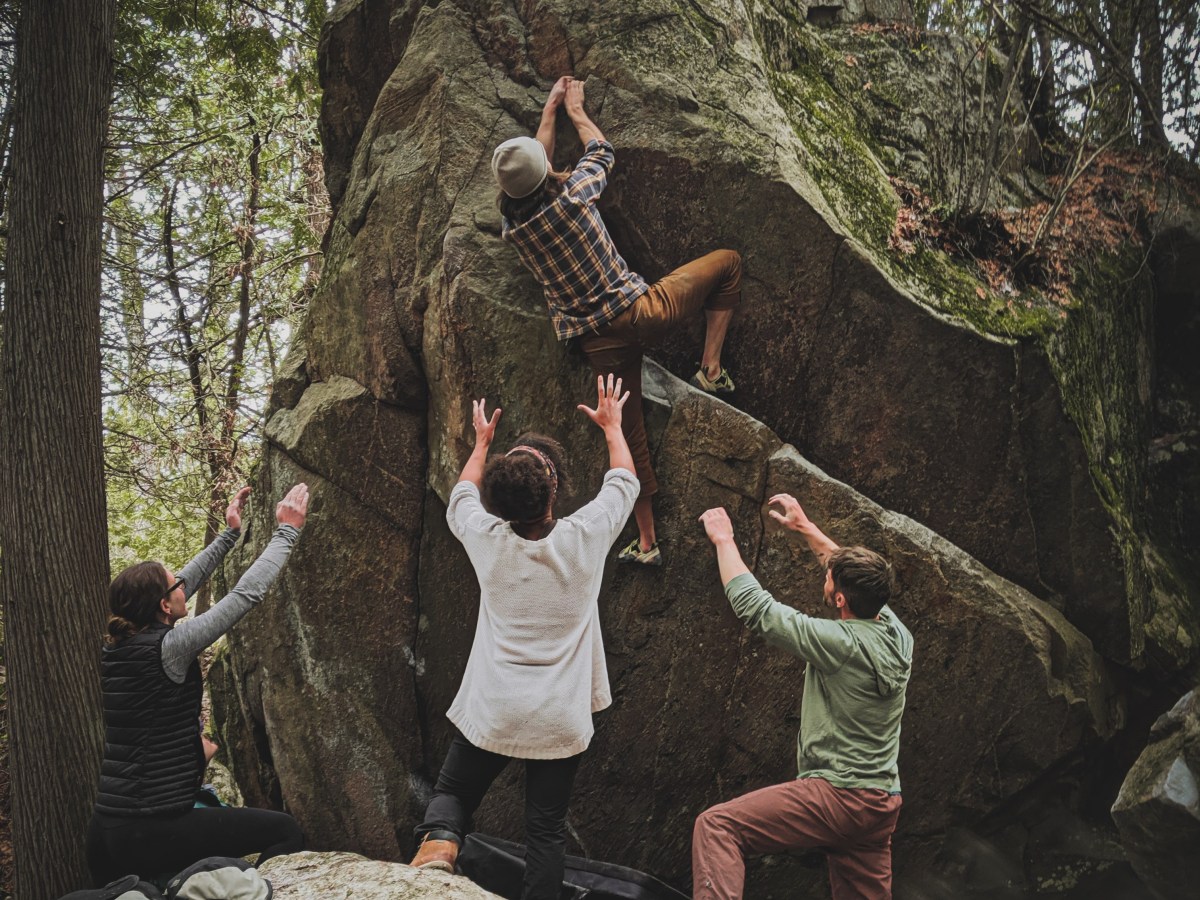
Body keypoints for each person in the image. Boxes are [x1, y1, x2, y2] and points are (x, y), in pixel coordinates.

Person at [492, 74, 742, 567]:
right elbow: (602, 152)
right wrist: (575, 112)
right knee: (729, 263)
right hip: (641, 312)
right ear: (546, 172)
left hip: (596, 342)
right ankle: (710, 370)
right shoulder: (575, 195)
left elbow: (535, 174)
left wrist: (547, 114)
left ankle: (648, 543)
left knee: (628, 437)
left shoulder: (515, 229)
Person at [409, 374, 639, 900]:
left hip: (495, 708)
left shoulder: (487, 540)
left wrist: (482, 443)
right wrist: (612, 426)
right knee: (544, 832)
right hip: (559, 717)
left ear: (500, 505)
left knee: (453, 794)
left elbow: (461, 496)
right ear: (553, 492)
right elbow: (624, 482)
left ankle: (441, 845)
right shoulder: (585, 538)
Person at [86, 483, 310, 884]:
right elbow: (245, 595)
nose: (183, 587)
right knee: (285, 831)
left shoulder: (119, 646)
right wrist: (288, 531)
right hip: (150, 828)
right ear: (161, 605)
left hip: (107, 830)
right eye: (175, 587)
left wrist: (229, 535)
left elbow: (182, 581)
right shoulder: (170, 647)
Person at [692, 494, 913, 900]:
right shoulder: (899, 635)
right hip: (879, 804)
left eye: (831, 580)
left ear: (841, 599)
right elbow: (845, 568)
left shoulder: (839, 642)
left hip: (837, 796)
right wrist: (805, 527)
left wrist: (724, 540)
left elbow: (759, 611)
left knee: (717, 826)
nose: (826, 578)